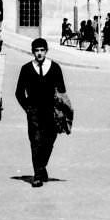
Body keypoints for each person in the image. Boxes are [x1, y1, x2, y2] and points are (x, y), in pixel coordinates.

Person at [15, 38, 67, 187]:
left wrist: (61, 109)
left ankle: (42, 165)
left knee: (49, 140)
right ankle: (37, 174)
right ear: (33, 52)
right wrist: (28, 108)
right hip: (34, 113)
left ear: (46, 51)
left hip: (51, 112)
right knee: (36, 142)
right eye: (36, 51)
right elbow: (19, 92)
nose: (39, 53)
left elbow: (62, 90)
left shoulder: (55, 67)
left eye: (42, 50)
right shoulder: (26, 69)